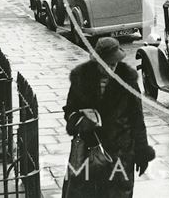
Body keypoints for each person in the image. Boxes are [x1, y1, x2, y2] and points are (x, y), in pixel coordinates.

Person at [62, 37, 155, 198]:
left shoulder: (128, 81)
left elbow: (137, 119)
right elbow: (70, 110)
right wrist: (82, 122)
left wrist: (142, 152)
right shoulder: (81, 78)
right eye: (107, 64)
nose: (111, 68)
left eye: (114, 64)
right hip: (89, 152)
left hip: (121, 153)